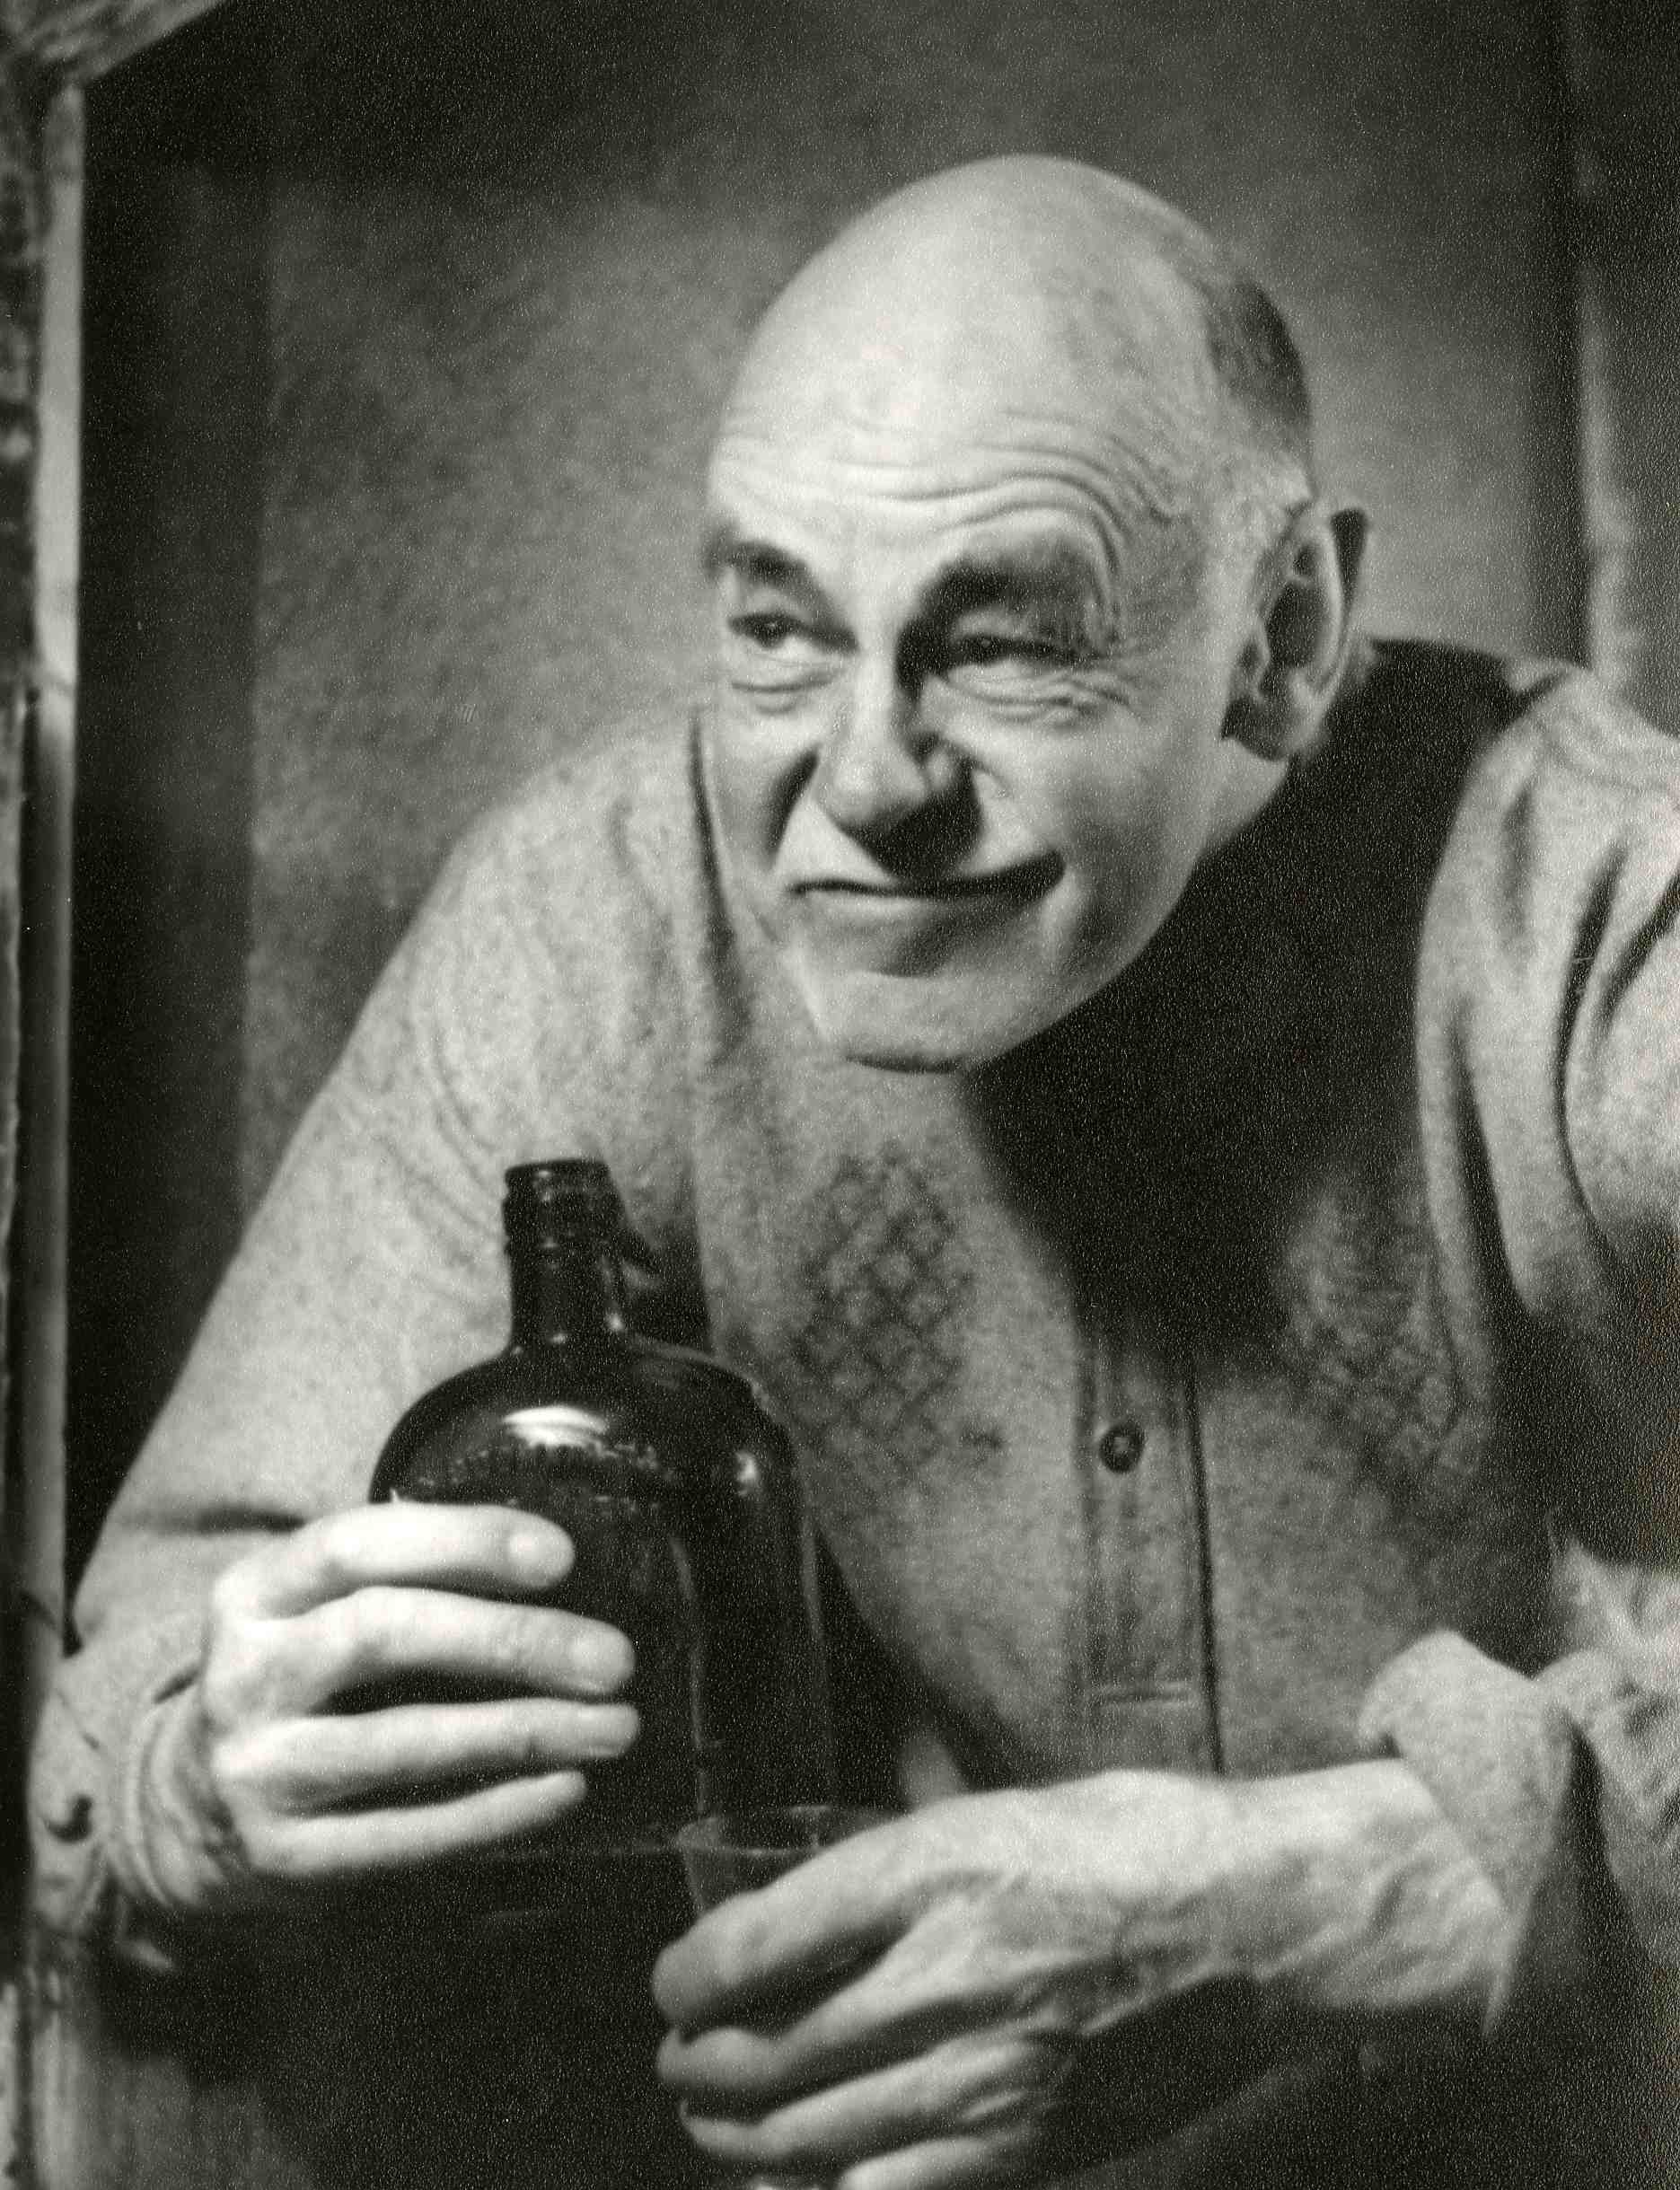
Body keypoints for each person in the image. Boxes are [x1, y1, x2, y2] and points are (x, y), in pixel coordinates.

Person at [29, 155, 1680, 2187]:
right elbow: (122, 1729)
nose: (870, 781)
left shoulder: (1603, 913)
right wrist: (207, 1783)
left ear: (1283, 634)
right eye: (779, 633)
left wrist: (1376, 1883)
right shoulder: (597, 922)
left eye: (1003, 641)